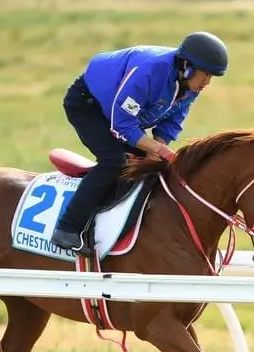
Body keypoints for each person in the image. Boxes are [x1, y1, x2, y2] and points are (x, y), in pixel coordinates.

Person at [50, 31, 229, 258]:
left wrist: (158, 148)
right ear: (187, 66)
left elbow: (171, 122)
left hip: (120, 114)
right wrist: (159, 150)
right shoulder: (151, 70)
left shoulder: (189, 87)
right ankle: (67, 228)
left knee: (155, 166)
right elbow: (122, 125)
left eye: (211, 77)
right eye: (205, 75)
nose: (206, 83)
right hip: (89, 106)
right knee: (114, 161)